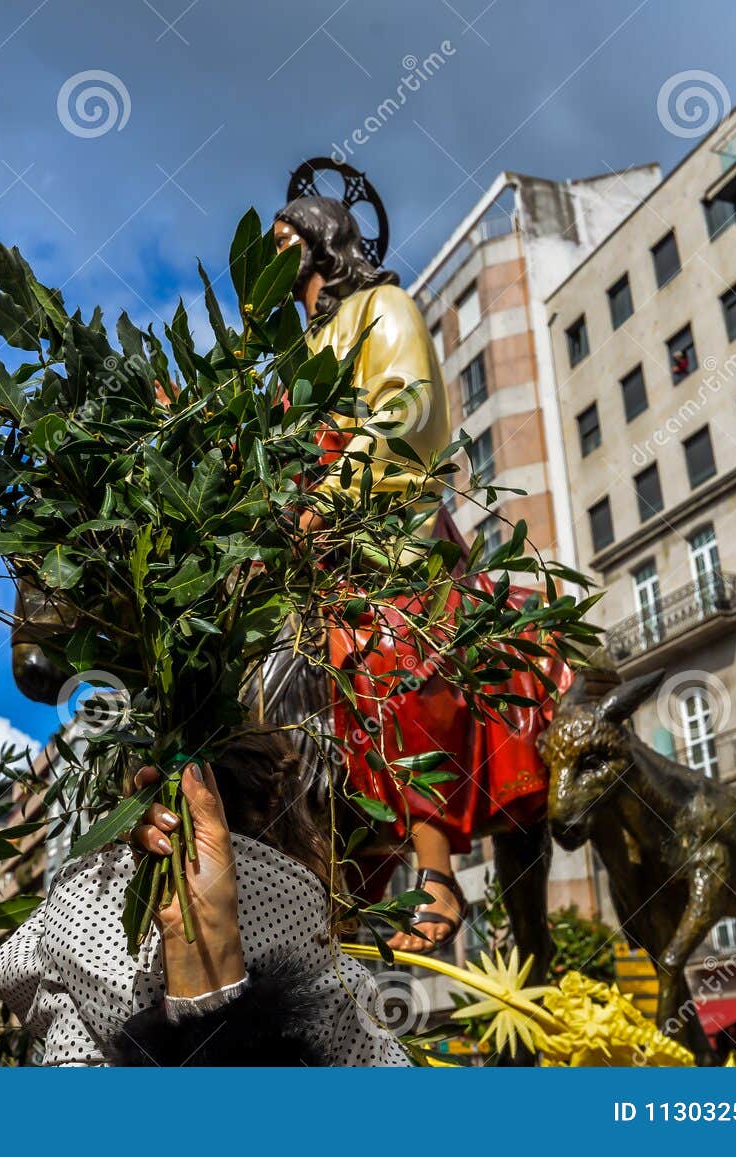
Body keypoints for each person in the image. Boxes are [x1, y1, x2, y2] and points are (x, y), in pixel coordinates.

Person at [270, 196, 570, 953]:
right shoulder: (291, 356)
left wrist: (329, 502)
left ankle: (436, 870)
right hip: (301, 551)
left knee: (386, 649)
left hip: (383, 528)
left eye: (281, 240)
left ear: (320, 242)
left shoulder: (385, 307)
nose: (268, 256)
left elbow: (409, 413)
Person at [0, 731, 410, 1065]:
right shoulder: (340, 986)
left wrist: (205, 959)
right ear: (284, 804)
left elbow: (9, 972)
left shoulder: (63, 941)